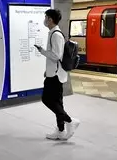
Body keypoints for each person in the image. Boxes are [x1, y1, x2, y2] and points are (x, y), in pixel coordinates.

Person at [35, 9, 80, 141]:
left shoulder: (56, 35)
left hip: (55, 75)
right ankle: (61, 130)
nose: (45, 20)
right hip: (54, 72)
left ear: (50, 19)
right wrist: (47, 70)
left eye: (46, 17)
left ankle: (70, 121)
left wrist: (42, 51)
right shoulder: (53, 33)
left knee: (47, 99)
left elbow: (56, 56)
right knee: (57, 102)